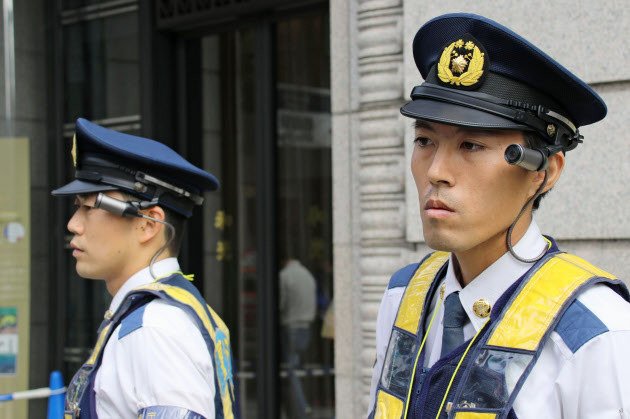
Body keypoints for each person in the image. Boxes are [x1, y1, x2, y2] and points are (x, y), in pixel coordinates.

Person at [368, 13, 630, 418]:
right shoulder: (404, 296)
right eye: (424, 140)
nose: (436, 171)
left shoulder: (595, 335)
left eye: (471, 145)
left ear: (544, 172)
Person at [53, 118, 237, 419]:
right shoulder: (158, 315)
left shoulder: (154, 327)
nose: (73, 224)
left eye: (89, 207)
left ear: (148, 224)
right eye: (77, 207)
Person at [279, 255, 317, 417]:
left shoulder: (284, 275)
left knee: (291, 370)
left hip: (291, 327)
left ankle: (302, 406)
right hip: (306, 328)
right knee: (299, 369)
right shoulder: (308, 275)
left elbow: (281, 303)